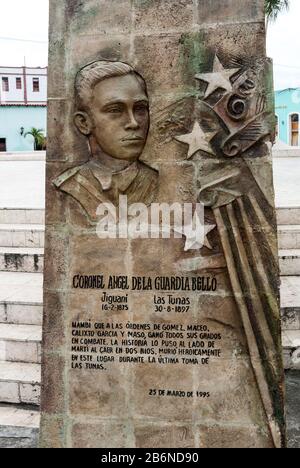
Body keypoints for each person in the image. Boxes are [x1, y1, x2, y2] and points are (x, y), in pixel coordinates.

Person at [54, 60, 159, 222]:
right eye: (115, 110)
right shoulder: (70, 186)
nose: (133, 123)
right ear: (84, 123)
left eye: (140, 109)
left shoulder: (157, 181)